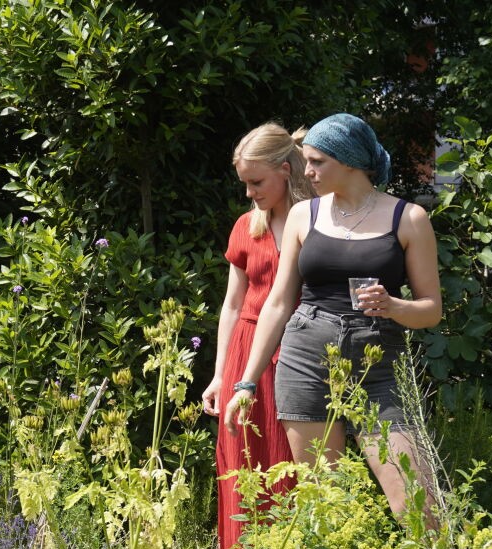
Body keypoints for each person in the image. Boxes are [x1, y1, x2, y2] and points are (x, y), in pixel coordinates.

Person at [222, 113, 442, 522]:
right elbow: (278, 303)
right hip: (305, 360)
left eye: (317, 161)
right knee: (329, 505)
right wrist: (247, 382)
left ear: (351, 161)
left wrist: (394, 306)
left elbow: (431, 309)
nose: (307, 171)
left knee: (417, 503)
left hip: (378, 368)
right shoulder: (306, 216)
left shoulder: (409, 218)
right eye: (306, 160)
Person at [201, 122, 315, 548]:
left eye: (256, 182)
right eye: (245, 183)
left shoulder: (319, 223)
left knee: (292, 464)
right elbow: (232, 305)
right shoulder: (247, 227)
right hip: (246, 354)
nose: (249, 192)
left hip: (300, 352)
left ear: (286, 170)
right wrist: (217, 376)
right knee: (242, 463)